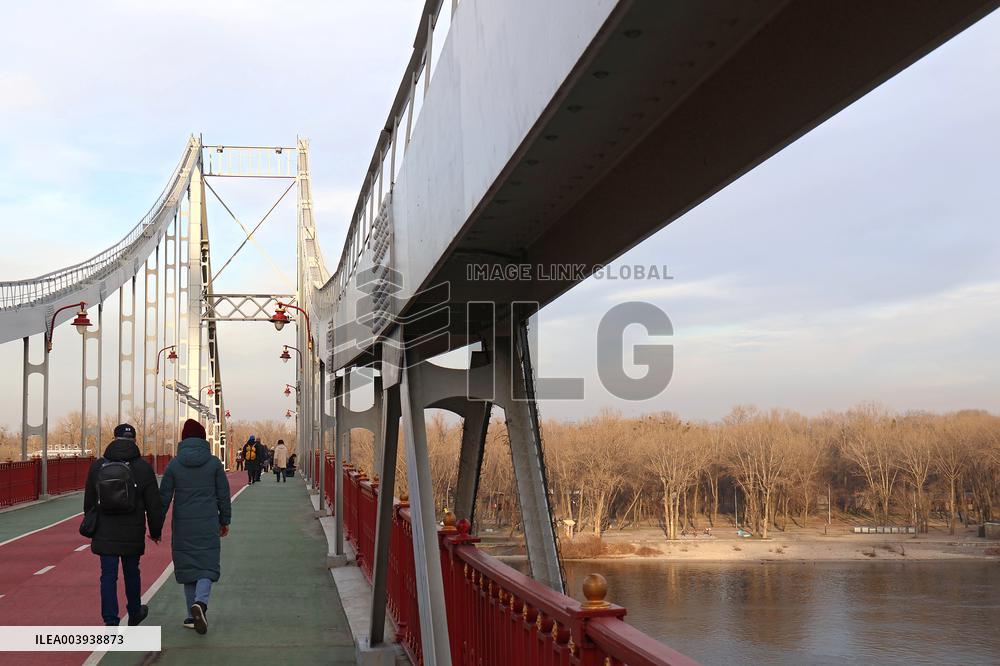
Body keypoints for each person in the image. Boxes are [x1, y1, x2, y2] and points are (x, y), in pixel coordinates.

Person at [83, 423, 164, 626]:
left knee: (108, 576)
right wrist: (155, 532)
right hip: (132, 530)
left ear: (114, 438)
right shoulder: (143, 467)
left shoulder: (98, 466)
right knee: (131, 571)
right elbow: (154, 505)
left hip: (105, 530)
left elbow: (89, 502)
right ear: (135, 441)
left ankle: (110, 621)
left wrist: (94, 525)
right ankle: (135, 611)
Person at [160, 419, 232, 635]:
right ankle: (200, 604)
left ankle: (192, 616)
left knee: (189, 567)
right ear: (203, 438)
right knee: (206, 566)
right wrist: (224, 520)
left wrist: (155, 526)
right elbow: (223, 495)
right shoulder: (213, 464)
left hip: (183, 525)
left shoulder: (174, 464)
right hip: (208, 522)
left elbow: (163, 497)